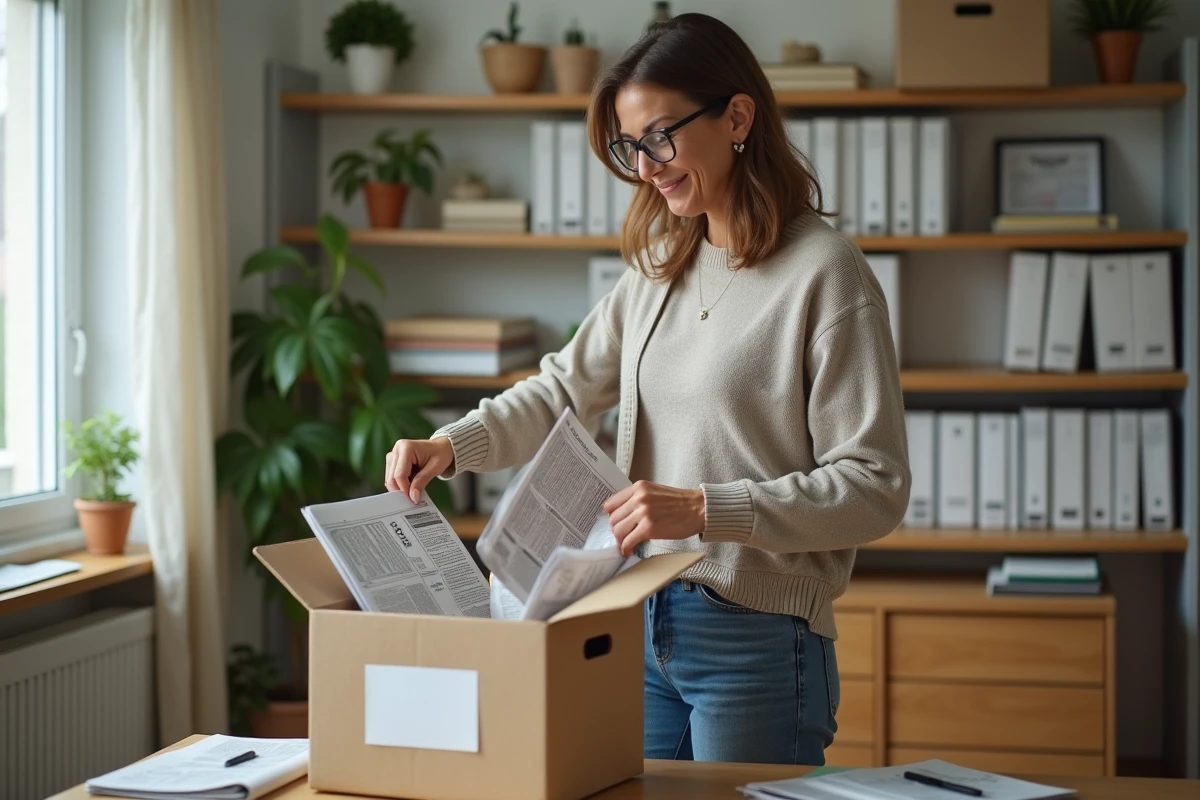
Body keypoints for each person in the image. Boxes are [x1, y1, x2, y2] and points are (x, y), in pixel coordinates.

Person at [384, 13, 910, 766]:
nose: (645, 166)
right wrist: (450, 445)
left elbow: (875, 486)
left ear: (737, 116)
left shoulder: (827, 274)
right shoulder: (662, 266)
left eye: (660, 137)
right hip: (639, 618)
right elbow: (564, 387)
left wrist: (703, 508)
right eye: (630, 147)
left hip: (757, 641)